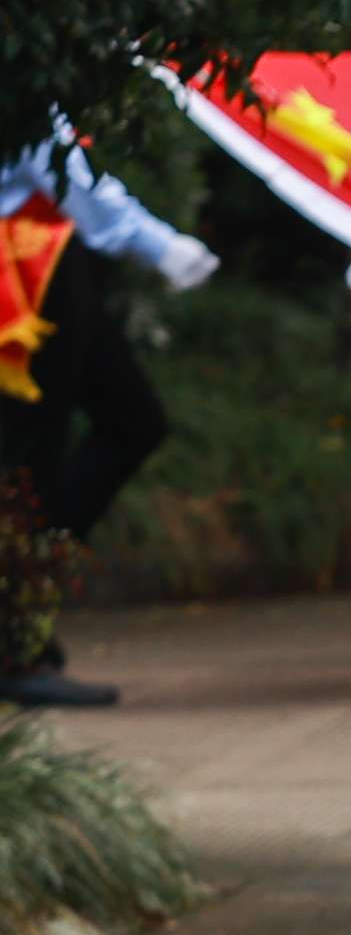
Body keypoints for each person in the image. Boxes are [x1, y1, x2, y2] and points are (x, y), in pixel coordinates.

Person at [0, 115, 218, 707]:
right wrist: (150, 241)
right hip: (21, 254)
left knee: (132, 420)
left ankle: (24, 606)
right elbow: (50, 159)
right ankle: (16, 648)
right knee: (31, 453)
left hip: (50, 244)